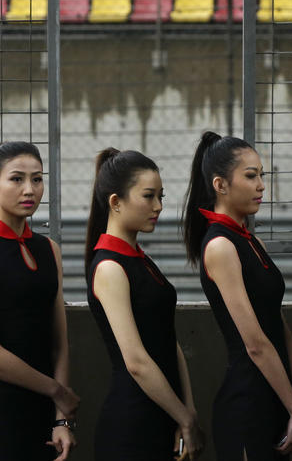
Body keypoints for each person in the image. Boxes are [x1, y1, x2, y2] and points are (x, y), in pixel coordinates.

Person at [181, 131, 292, 460]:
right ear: (220, 185)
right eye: (251, 176)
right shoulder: (220, 246)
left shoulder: (253, 242)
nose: (261, 185)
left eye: (262, 175)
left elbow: (280, 328)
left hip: (278, 397)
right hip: (248, 403)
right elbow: (255, 343)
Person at [0, 142, 79, 461]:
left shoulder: (49, 249)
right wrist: (57, 391)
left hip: (45, 414)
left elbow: (59, 343)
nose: (30, 189)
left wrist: (61, 420)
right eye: (16, 179)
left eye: (37, 179)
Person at [85, 148, 203, 460]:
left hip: (165, 414)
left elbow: (167, 339)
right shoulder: (110, 267)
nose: (158, 206)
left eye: (160, 196)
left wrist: (187, 410)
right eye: (149, 196)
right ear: (115, 202)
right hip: (132, 426)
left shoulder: (139, 260)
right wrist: (184, 417)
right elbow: (136, 362)